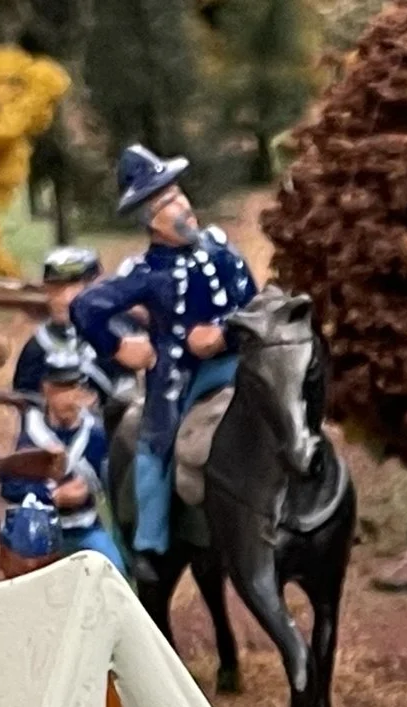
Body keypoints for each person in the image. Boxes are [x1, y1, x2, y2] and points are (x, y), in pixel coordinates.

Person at [71, 147, 257, 618]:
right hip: (180, 377)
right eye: (165, 204)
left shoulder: (220, 246)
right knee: (156, 448)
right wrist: (118, 348)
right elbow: (86, 308)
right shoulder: (145, 273)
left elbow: (254, 300)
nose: (180, 207)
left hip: (238, 360)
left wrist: (225, 333)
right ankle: (151, 543)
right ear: (151, 221)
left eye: (178, 195)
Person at [0, 358, 122, 575]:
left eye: (74, 388)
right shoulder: (32, 435)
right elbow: (11, 487)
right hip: (44, 533)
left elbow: (109, 478)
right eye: (62, 389)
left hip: (87, 527)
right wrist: (53, 496)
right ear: (47, 391)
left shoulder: (94, 432)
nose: (69, 398)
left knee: (115, 573)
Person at [14, 246, 125, 407]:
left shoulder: (118, 334)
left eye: (74, 289)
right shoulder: (39, 346)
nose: (63, 299)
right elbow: (25, 401)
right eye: (55, 290)